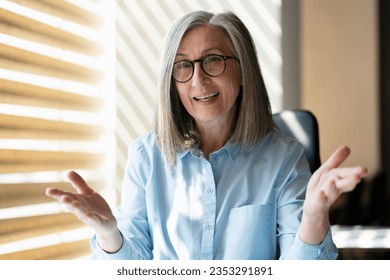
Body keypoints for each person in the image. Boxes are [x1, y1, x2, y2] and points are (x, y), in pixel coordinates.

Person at [46, 10, 367, 260]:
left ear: (243, 71)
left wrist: (312, 217)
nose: (198, 79)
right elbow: (132, 268)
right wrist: (108, 234)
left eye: (213, 60)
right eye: (183, 66)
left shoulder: (284, 158)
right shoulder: (146, 157)